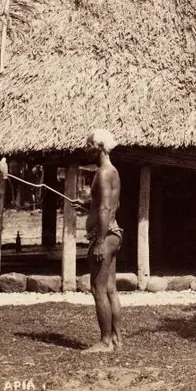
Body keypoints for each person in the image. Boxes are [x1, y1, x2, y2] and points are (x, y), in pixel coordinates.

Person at [71, 129, 123, 352]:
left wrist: (100, 241)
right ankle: (117, 340)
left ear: (100, 147)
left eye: (89, 145)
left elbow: (106, 208)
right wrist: (87, 205)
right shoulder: (112, 171)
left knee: (98, 288)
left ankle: (105, 342)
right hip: (113, 233)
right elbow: (111, 204)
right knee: (110, 289)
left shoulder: (103, 173)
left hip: (105, 235)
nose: (86, 149)